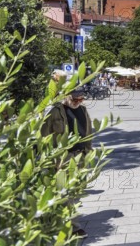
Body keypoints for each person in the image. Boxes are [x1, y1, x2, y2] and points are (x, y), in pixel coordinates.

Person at [41, 86, 93, 238]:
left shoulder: (83, 110)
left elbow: (88, 132)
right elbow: (43, 134)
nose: (78, 101)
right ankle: (72, 228)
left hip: (80, 156)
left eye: (81, 98)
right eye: (75, 98)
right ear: (65, 95)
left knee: (75, 192)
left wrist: (89, 153)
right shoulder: (54, 111)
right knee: (66, 194)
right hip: (63, 158)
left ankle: (64, 223)